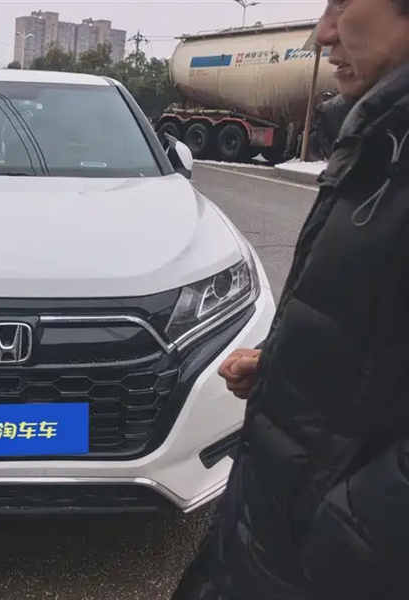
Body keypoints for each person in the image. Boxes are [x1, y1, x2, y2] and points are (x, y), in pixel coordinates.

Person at [171, 1, 409, 598]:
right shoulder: (380, 146)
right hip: (275, 522)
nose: (322, 33)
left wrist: (348, 533)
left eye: (343, 3)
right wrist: (284, 367)